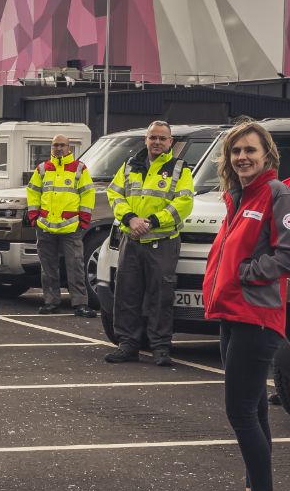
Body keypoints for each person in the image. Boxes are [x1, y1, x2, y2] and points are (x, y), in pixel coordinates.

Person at [201, 119, 290, 491]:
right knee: (255, 411)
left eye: (250, 150)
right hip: (233, 313)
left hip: (256, 316)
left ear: (267, 155)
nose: (242, 157)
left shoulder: (279, 194)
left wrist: (246, 272)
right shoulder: (239, 197)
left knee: (240, 412)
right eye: (236, 151)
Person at [106, 121, 196, 365]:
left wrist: (153, 222)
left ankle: (160, 348)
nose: (157, 142)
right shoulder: (129, 165)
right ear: (146, 140)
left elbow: (184, 203)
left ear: (170, 142)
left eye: (162, 138)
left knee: (160, 296)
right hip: (132, 239)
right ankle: (128, 345)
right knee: (127, 293)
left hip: (162, 240)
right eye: (153, 137)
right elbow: (114, 194)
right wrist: (130, 219)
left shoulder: (179, 169)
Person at [26, 133, 94, 314]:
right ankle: (51, 302)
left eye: (62, 145)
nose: (59, 148)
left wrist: (84, 220)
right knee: (48, 268)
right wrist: (34, 217)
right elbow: (33, 192)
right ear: (51, 147)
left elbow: (87, 194)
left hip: (71, 227)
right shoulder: (42, 169)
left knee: (75, 266)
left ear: (69, 148)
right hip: (45, 226)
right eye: (55, 145)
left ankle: (80, 303)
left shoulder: (79, 168)